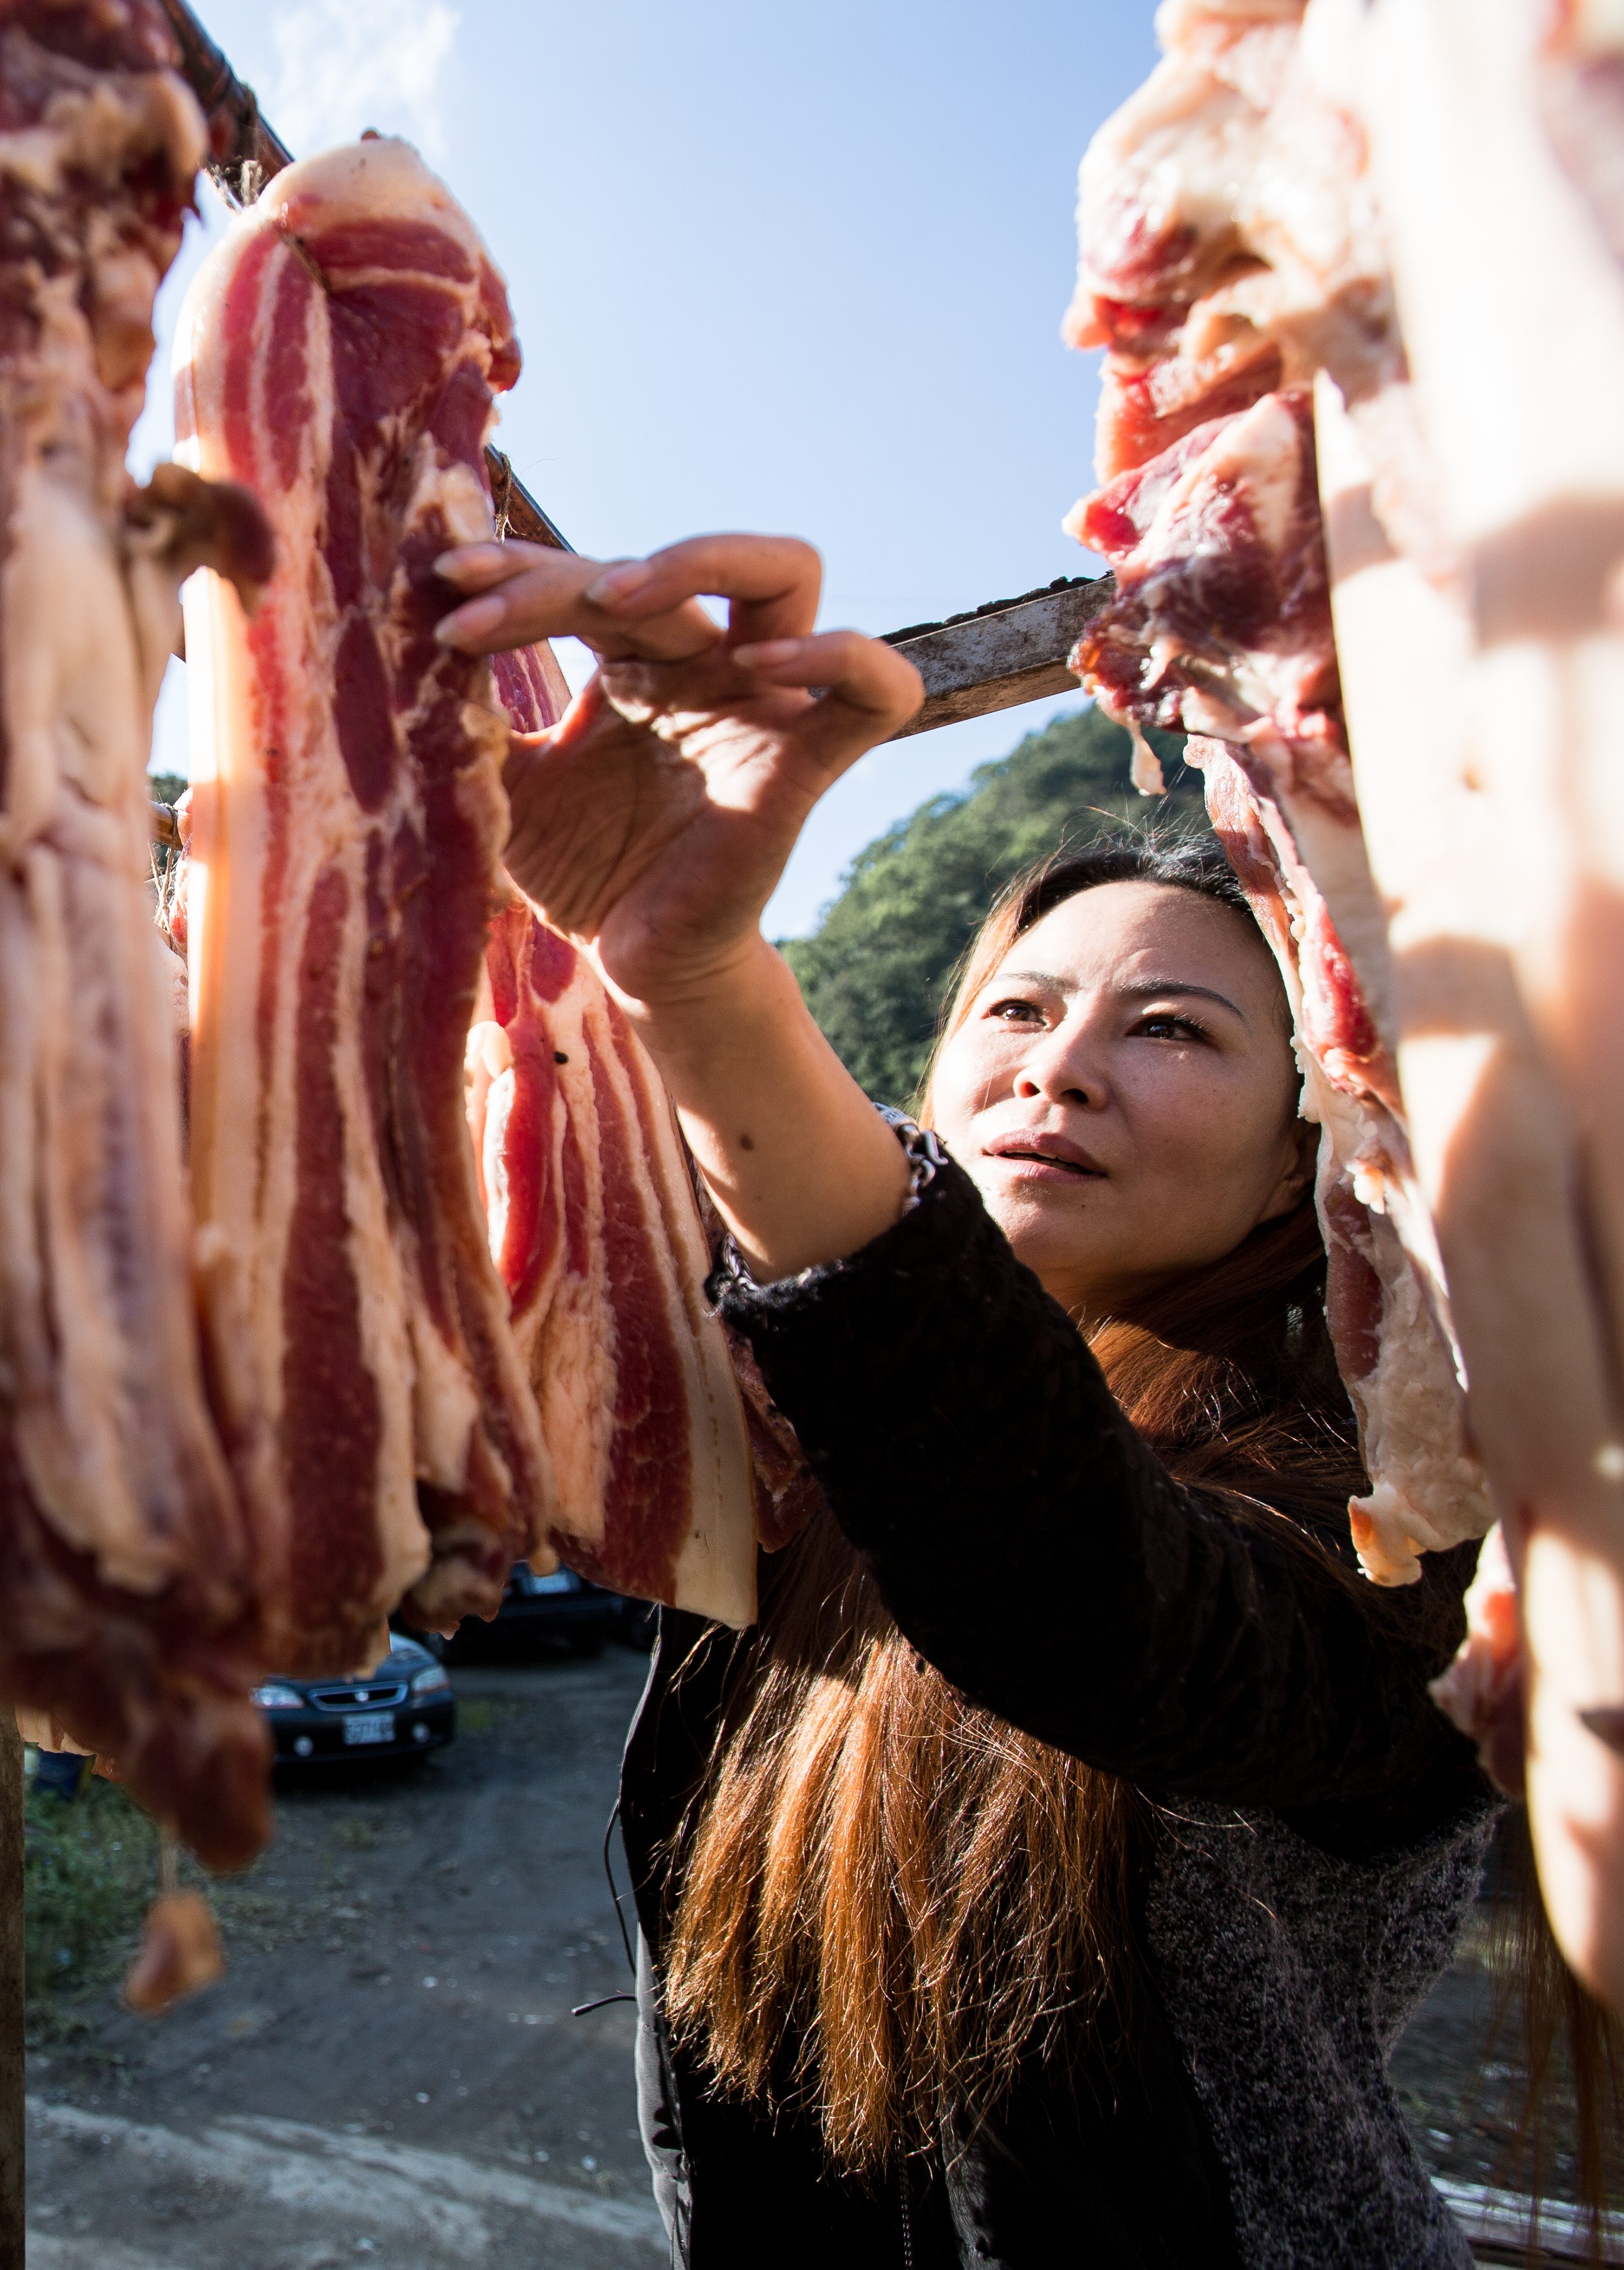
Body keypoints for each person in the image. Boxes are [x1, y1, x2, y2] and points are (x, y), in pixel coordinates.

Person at [433, 534, 1500, 2266]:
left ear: (1300, 1159)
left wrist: (702, 984)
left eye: (1172, 1030)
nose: (1059, 1063)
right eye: (1016, 1004)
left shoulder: (1392, 1516)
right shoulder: (792, 1434)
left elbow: (1083, 1589)